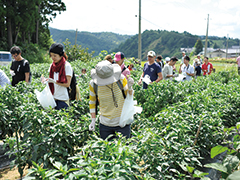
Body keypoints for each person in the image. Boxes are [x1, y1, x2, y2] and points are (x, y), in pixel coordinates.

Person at [88, 60, 134, 140]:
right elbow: (92, 102)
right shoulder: (94, 84)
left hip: (122, 123)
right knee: (107, 150)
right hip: (105, 124)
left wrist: (130, 88)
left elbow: (129, 96)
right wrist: (93, 120)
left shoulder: (120, 79)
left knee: (123, 150)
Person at [43, 43, 73, 110]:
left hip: (62, 99)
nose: (53, 58)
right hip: (53, 98)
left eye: (55, 56)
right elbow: (51, 80)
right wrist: (45, 80)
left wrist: (55, 82)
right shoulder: (52, 66)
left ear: (61, 55)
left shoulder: (67, 66)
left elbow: (68, 84)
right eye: (51, 55)